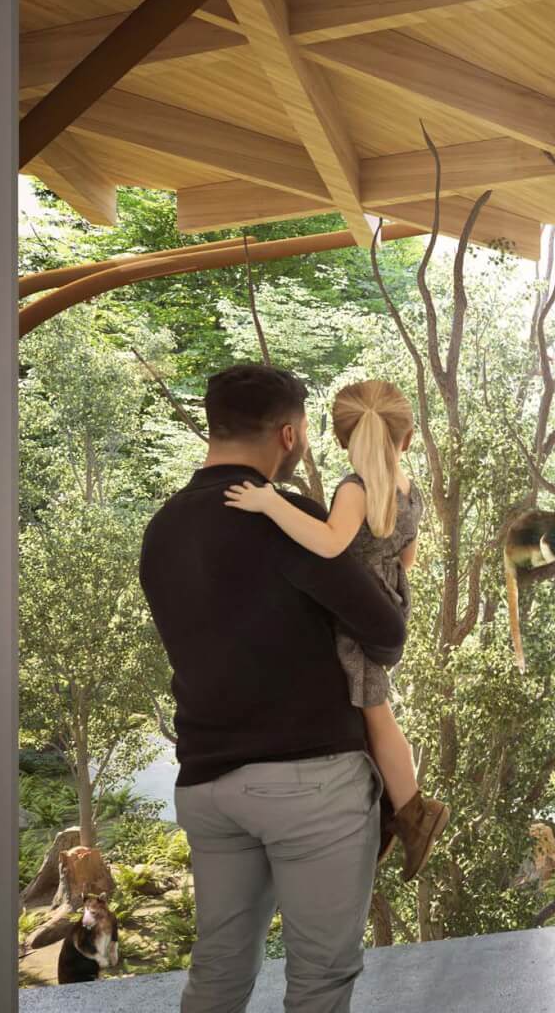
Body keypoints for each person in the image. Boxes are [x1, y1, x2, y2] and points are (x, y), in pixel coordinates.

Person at [139, 364, 407, 1013]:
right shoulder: (283, 517)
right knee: (319, 980)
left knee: (219, 975)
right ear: (289, 434)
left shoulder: (162, 529)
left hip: (205, 785)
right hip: (308, 781)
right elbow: (385, 629)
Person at [222, 379, 448, 882]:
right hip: (389, 602)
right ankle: (396, 807)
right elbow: (407, 556)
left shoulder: (355, 488)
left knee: (375, 710)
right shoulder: (406, 488)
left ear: (342, 438)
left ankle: (412, 811)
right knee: (369, 709)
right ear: (406, 438)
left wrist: (271, 503)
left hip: (358, 616)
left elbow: (328, 543)